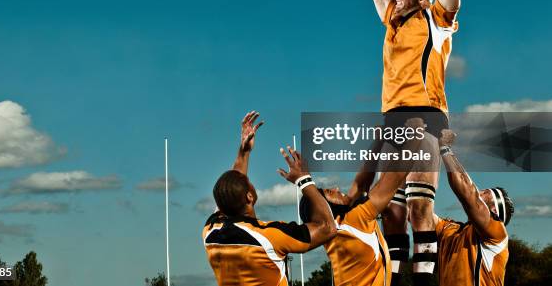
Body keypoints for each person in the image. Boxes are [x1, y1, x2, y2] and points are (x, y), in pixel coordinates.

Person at [359, 0, 464, 285]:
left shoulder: (437, 19)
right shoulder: (393, 18)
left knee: (420, 206)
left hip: (425, 114)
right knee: (392, 211)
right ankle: (393, 278)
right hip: (393, 117)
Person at [202, 111, 336, 286]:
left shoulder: (211, 232)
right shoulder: (269, 237)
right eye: (248, 182)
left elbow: (232, 188)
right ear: (249, 196)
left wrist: (244, 151)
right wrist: (304, 180)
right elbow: (327, 227)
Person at [301, 118, 427, 286]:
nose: (337, 188)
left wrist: (379, 140)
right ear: (325, 208)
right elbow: (396, 175)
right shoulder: (355, 220)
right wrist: (416, 135)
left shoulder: (337, 228)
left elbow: (360, 184)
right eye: (330, 193)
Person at [434, 129, 513, 286]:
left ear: (494, 213)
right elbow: (419, 212)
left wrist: (445, 148)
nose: (477, 192)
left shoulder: (497, 235)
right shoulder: (451, 230)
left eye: (484, 194)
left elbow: (468, 195)